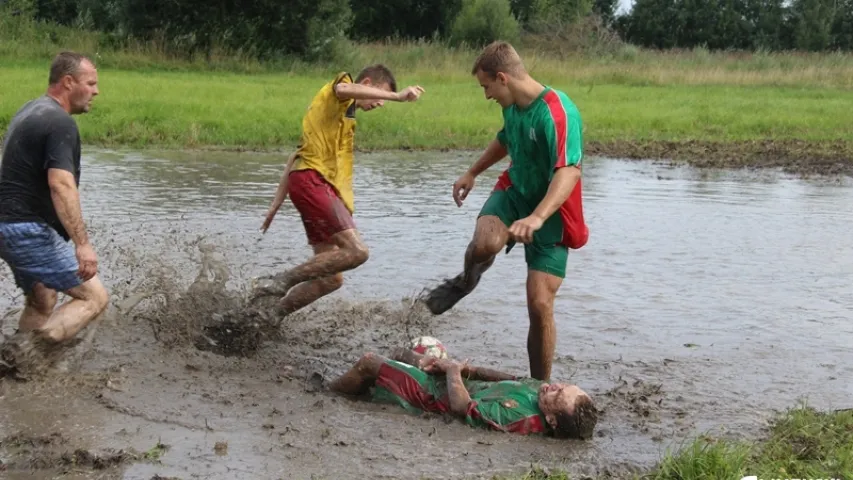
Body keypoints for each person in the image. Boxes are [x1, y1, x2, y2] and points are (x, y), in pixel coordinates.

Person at [419, 41, 589, 382]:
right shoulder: (511, 105)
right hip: (513, 192)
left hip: (552, 213)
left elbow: (569, 171)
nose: (486, 96)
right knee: (485, 244)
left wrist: (537, 217)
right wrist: (472, 171)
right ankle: (466, 282)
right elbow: (505, 138)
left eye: (486, 87)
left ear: (502, 78)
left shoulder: (557, 112)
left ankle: (539, 387)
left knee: (540, 305)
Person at [249, 65, 425, 319]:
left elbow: (296, 154)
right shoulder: (340, 88)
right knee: (358, 252)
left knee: (330, 280)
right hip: (313, 181)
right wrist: (398, 97)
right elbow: (344, 88)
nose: (381, 104)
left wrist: (276, 202)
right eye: (381, 95)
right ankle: (277, 281)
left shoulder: (339, 115)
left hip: (312, 184)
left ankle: (266, 317)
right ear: (366, 83)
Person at [0, 51, 110, 373]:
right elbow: (61, 185)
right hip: (24, 229)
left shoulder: (30, 110)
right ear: (68, 82)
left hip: (7, 225)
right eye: (91, 83)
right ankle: (17, 357)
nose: (96, 91)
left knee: (43, 299)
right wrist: (82, 244)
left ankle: (19, 372)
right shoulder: (59, 122)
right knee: (94, 298)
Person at [329, 348, 598, 439]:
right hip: (451, 380)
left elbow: (461, 408)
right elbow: (510, 377)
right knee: (402, 353)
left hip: (434, 396)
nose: (555, 386)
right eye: (564, 385)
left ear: (551, 420)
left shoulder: (519, 416)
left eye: (558, 395)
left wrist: (452, 371)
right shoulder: (541, 391)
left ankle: (331, 393)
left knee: (369, 362)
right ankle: (374, 387)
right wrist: (467, 368)